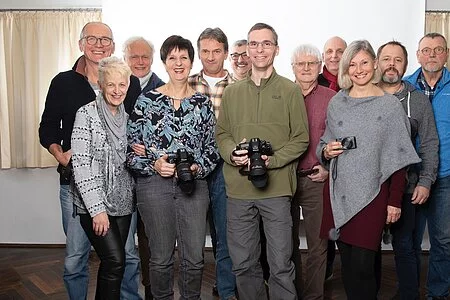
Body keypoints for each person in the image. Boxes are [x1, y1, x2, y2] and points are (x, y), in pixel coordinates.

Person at [38, 22, 142, 300]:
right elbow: (47, 128)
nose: (99, 44)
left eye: (105, 39)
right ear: (81, 43)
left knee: (125, 257)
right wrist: (60, 154)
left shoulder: (127, 87)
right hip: (79, 188)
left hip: (120, 194)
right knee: (76, 257)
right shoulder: (64, 83)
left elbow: (134, 133)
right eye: (93, 39)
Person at [317, 40, 421, 300]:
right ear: (345, 68)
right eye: (352, 64)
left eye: (364, 62)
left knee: (364, 267)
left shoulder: (389, 106)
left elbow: (400, 158)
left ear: (375, 64)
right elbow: (323, 143)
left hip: (373, 196)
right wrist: (326, 151)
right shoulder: (337, 102)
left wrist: (395, 201)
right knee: (349, 267)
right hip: (339, 193)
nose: (358, 69)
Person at [216, 22, 309, 300]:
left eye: (266, 43)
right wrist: (232, 153)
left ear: (276, 49)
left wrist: (274, 160)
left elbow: (301, 138)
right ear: (246, 50)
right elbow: (222, 134)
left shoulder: (291, 90)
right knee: (243, 264)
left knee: (280, 264)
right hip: (239, 191)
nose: (259, 49)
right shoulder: (232, 92)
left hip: (277, 189)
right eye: (253, 44)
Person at [127, 35, 220, 299]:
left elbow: (213, 149)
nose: (178, 63)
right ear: (165, 62)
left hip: (194, 185)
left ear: (191, 62)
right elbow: (130, 152)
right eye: (172, 58)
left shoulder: (202, 104)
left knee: (194, 257)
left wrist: (196, 168)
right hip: (154, 187)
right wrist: (154, 164)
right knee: (160, 257)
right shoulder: (146, 102)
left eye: (184, 57)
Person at [376, 40, 439, 300]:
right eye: (386, 58)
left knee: (404, 246)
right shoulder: (364, 95)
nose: (392, 64)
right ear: (377, 62)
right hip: (369, 187)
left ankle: (409, 295)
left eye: (398, 59)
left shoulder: (419, 100)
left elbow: (429, 143)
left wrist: (425, 181)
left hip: (406, 186)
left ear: (405, 64)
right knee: (367, 248)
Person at [69, 56, 135, 299]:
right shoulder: (86, 114)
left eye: (122, 85)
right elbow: (81, 164)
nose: (117, 91)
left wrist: (139, 151)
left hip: (123, 203)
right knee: (115, 260)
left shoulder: (127, 119)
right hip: (94, 206)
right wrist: (97, 210)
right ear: (101, 84)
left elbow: (128, 161)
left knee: (114, 265)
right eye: (111, 85)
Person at [188, 27, 237, 300]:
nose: (210, 56)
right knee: (193, 234)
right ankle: (190, 291)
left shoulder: (238, 86)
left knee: (224, 233)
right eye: (205, 51)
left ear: (226, 53)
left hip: (225, 168)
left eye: (216, 51)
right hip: (194, 168)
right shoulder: (187, 83)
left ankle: (226, 290)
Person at [404, 32, 450, 300]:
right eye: (426, 50)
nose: (432, 54)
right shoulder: (405, 86)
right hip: (411, 175)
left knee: (443, 241)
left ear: (446, 54)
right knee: (408, 241)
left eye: (438, 49)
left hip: (445, 176)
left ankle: (438, 293)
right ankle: (409, 291)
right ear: (418, 54)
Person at [291, 44, 336, 299]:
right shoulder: (283, 94)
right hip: (283, 180)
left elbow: (338, 137)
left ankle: (313, 296)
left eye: (311, 63)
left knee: (318, 245)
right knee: (286, 244)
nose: (306, 68)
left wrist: (328, 168)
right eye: (301, 64)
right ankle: (292, 293)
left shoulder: (331, 98)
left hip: (315, 180)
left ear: (320, 67)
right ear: (293, 68)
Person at [123, 35, 165, 300]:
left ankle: (153, 290)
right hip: (123, 176)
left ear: (152, 59)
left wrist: (149, 150)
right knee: (125, 242)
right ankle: (127, 293)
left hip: (153, 176)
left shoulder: (163, 87)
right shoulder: (116, 86)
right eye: (134, 57)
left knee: (152, 238)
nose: (140, 61)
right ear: (125, 58)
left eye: (145, 56)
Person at [318, 36, 347, 280]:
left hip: (350, 166)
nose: (334, 56)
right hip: (322, 163)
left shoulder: (356, 82)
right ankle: (325, 272)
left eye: (340, 51)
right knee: (325, 222)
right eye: (329, 51)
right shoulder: (311, 81)